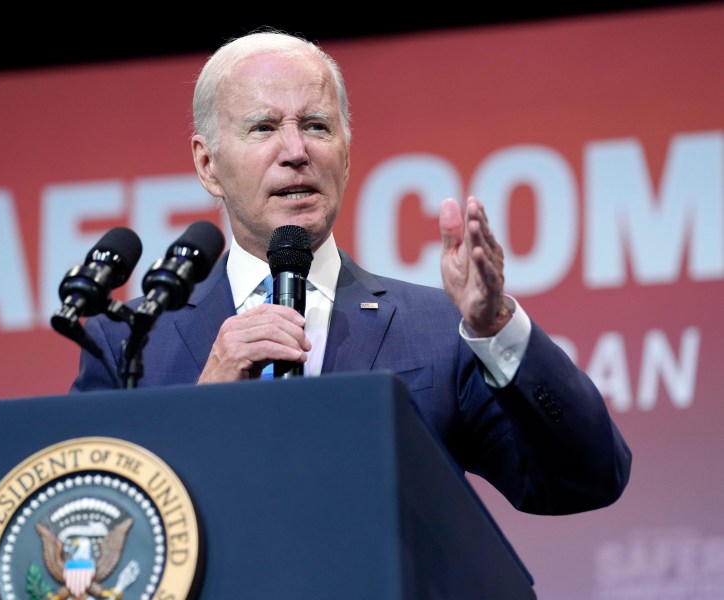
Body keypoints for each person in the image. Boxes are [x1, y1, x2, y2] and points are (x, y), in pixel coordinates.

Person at [71, 28, 631, 515]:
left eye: (316, 126)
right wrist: (205, 405)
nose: (296, 151)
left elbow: (588, 478)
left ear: (346, 149)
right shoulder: (130, 342)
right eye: (264, 128)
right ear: (207, 163)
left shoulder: (438, 332)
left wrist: (497, 328)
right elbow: (87, 524)